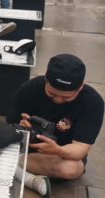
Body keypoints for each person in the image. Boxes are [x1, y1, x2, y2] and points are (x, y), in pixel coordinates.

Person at [7, 54, 103, 197]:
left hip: (60, 155)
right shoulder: (29, 88)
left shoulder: (92, 103)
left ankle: (13, 165)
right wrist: (22, 129)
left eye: (67, 97)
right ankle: (18, 166)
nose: (58, 100)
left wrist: (58, 150)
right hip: (27, 148)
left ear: (80, 87)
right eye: (52, 94)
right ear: (46, 79)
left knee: (72, 169)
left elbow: (80, 149)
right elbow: (9, 126)